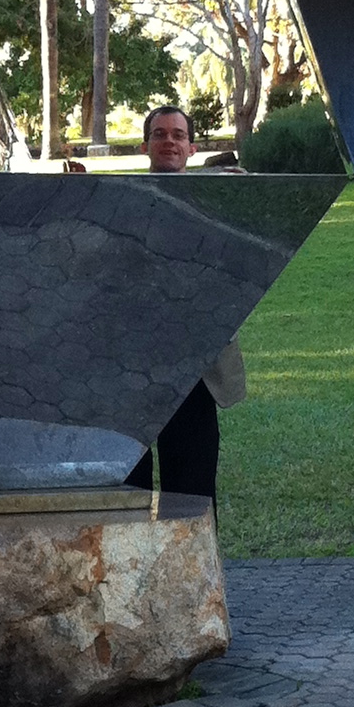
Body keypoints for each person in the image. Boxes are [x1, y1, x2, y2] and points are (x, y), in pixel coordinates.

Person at [126, 105, 247, 505]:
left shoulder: (219, 203)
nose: (169, 141)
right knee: (130, 495)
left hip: (195, 367)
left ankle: (195, 571)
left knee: (192, 496)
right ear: (145, 145)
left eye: (178, 135)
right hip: (129, 370)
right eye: (159, 134)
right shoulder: (123, 202)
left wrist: (236, 193)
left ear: (192, 148)